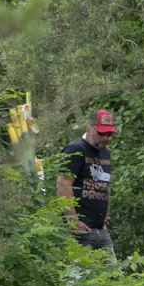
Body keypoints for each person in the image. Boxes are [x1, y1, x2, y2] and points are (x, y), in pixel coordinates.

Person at [57, 109, 116, 258]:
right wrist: (72, 221)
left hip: (100, 230)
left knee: (113, 272)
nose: (106, 138)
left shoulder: (105, 153)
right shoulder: (74, 150)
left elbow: (104, 188)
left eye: (109, 134)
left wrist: (104, 222)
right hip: (80, 230)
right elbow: (63, 186)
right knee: (78, 271)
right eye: (101, 133)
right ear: (88, 129)